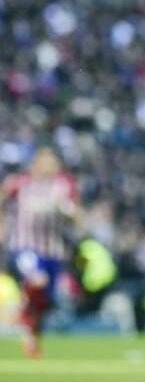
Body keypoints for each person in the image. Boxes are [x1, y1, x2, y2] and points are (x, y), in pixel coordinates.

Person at [0, 147, 79, 358]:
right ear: (36, 163)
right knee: (37, 280)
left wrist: (68, 211)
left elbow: (76, 215)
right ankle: (22, 313)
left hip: (53, 251)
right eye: (45, 161)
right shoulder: (20, 183)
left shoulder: (64, 185)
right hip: (24, 246)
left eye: (52, 161)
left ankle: (31, 335)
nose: (49, 165)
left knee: (45, 301)